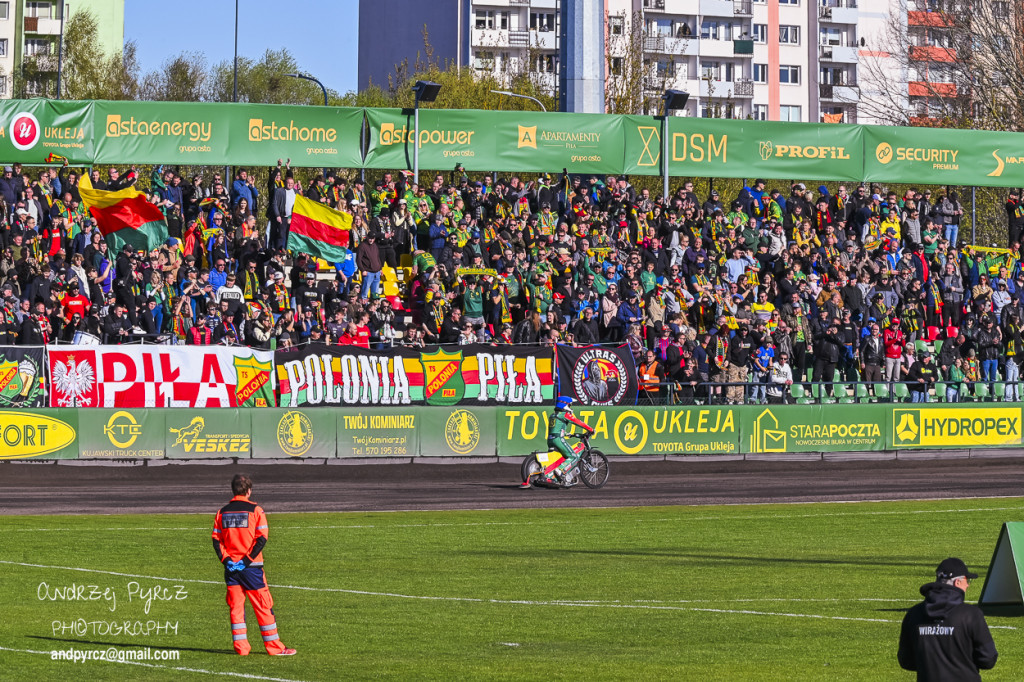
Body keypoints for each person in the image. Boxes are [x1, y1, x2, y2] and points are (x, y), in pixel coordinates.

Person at [212, 474, 296, 657]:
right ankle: (275, 647)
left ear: (233, 490)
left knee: (236, 609)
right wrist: (245, 561)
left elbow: (216, 541)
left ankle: (241, 648)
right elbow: (261, 539)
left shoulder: (222, 512)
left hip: (231, 570)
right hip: (252, 569)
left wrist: (228, 562)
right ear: (249, 491)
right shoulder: (256, 510)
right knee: (263, 606)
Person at [898, 557, 996, 681]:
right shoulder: (971, 614)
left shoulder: (914, 614)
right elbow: (988, 659)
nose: (968, 585)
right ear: (958, 582)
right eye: (968, 580)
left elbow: (906, 660)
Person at [522, 396, 594, 487]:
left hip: (550, 440)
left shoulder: (553, 415)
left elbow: (557, 428)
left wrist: (567, 434)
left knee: (560, 459)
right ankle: (560, 470)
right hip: (558, 440)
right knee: (574, 456)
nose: (571, 407)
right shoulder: (564, 415)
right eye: (569, 405)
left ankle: (553, 476)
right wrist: (590, 429)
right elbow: (578, 422)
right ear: (565, 405)